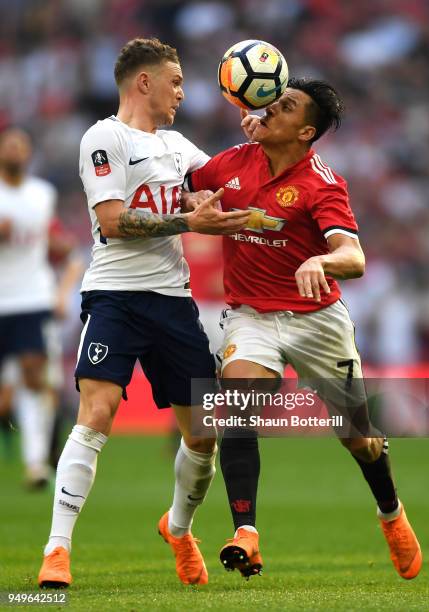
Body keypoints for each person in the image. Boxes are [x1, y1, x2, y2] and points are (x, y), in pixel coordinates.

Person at [186, 78, 422, 580]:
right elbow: (184, 192)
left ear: (306, 130)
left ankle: (391, 514)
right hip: (251, 314)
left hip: (318, 320)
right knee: (236, 402)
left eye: (286, 105)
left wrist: (323, 259)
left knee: (360, 439)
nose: (272, 107)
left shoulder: (322, 183)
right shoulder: (231, 163)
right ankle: (245, 533)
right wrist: (195, 215)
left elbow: (353, 256)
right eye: (273, 100)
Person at [37, 37, 250, 589]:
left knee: (202, 435)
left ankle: (179, 530)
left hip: (174, 305)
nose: (183, 91)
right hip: (115, 298)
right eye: (175, 81)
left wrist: (259, 143)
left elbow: (228, 182)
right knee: (97, 413)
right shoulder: (104, 137)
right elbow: (112, 221)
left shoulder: (180, 147)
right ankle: (56, 551)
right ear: (144, 82)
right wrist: (190, 222)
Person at [0, 128, 82, 488]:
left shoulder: (41, 195)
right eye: (10, 144)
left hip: (31, 297)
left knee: (35, 380)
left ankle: (35, 465)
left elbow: (52, 241)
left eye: (22, 144)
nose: (16, 149)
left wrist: (65, 255)